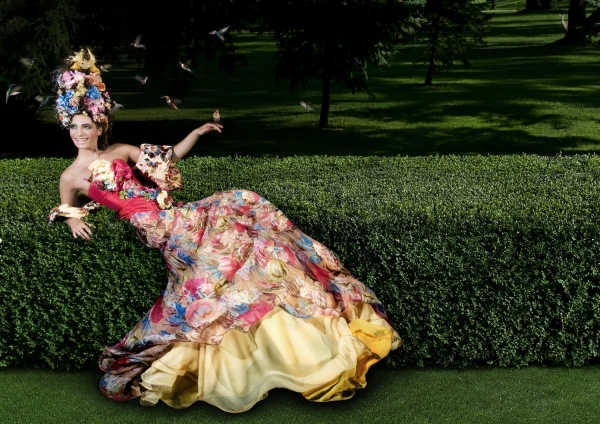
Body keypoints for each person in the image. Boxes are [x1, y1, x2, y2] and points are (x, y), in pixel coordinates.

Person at [49, 49, 401, 413]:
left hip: (179, 217)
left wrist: (196, 132)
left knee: (248, 223)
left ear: (100, 126)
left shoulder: (119, 150)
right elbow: (65, 206)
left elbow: (168, 158)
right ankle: (167, 356)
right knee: (207, 286)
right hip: (162, 234)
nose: (79, 133)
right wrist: (73, 219)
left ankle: (294, 324)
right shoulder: (69, 176)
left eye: (86, 126)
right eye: (73, 127)